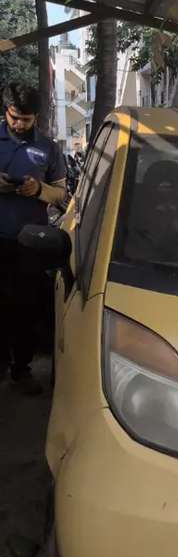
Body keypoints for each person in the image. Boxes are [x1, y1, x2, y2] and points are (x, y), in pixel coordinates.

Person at [0, 83, 66, 395]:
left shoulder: (49, 148)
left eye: (26, 120)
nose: (18, 124)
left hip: (29, 243)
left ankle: (21, 370)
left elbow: (62, 193)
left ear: (36, 118)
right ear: (6, 111)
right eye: (14, 117)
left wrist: (38, 190)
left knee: (25, 309)